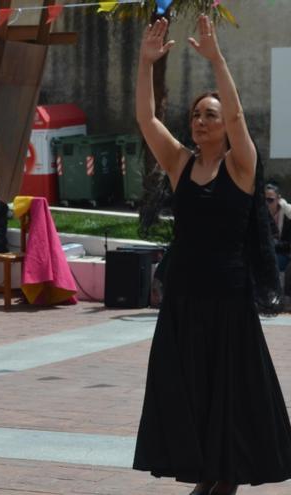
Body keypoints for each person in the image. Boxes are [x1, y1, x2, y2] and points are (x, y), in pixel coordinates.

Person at [132, 16, 291, 495]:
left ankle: (228, 475)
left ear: (224, 127)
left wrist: (218, 60)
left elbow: (240, 119)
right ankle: (206, 472)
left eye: (210, 116)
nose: (200, 121)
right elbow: (146, 119)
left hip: (228, 298)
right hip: (185, 297)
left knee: (231, 393)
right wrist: (144, 63)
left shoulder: (241, 166)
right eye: (197, 114)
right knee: (188, 390)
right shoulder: (181, 162)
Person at [265, 184, 291, 271]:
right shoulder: (260, 214)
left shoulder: (288, 215)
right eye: (264, 200)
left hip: (284, 254)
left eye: (270, 200)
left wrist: (273, 244)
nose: (266, 204)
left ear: (278, 199)